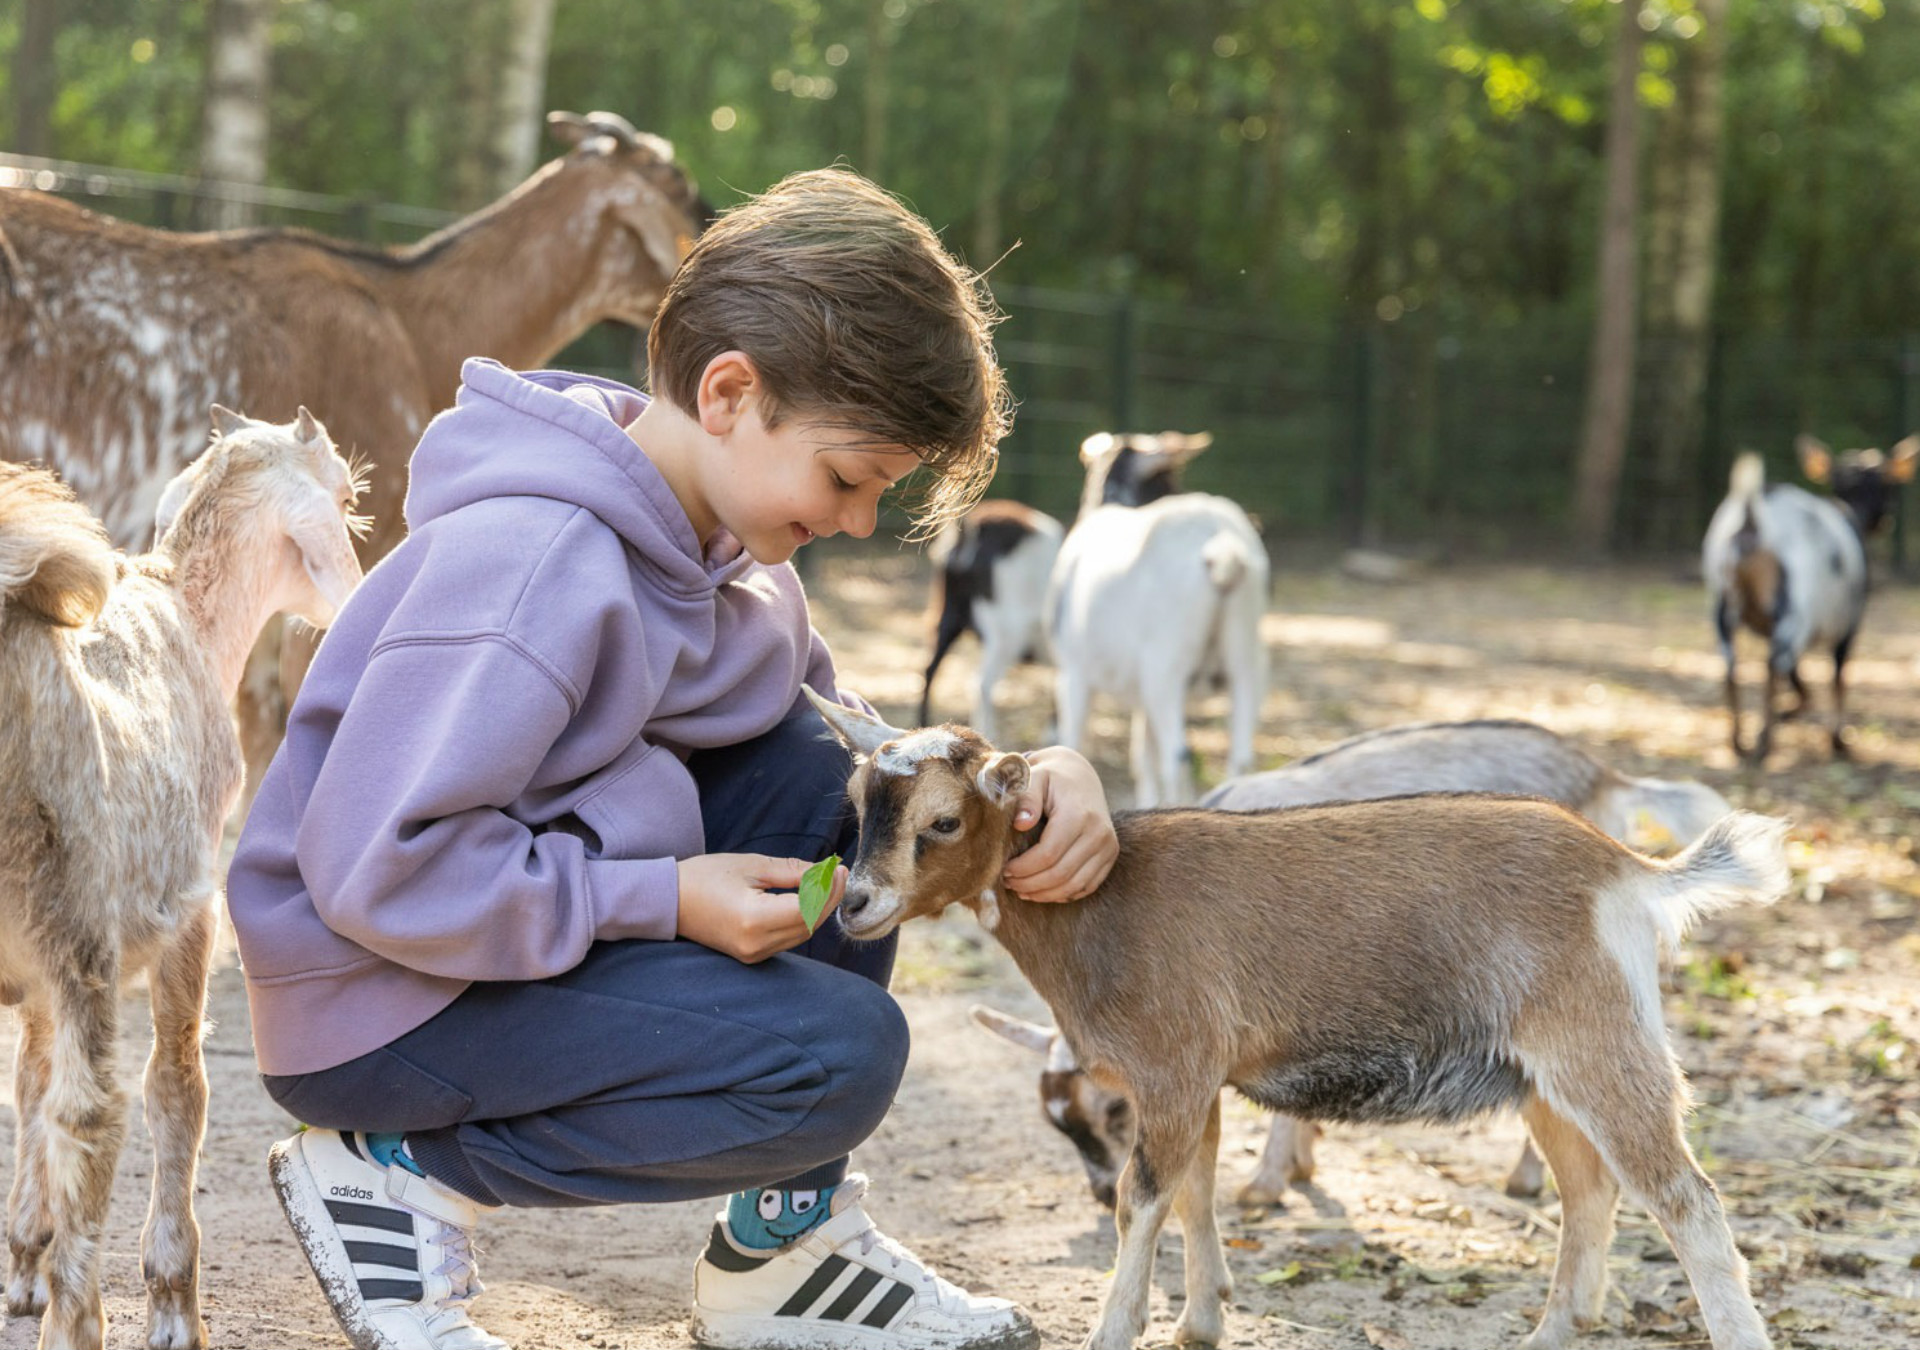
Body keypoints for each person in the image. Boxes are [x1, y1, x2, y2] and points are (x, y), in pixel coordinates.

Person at [226, 167, 1119, 1350]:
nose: (856, 521)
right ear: (731, 391)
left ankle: (782, 1260)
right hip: (381, 1002)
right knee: (833, 1061)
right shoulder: (531, 566)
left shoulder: (735, 568)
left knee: (837, 781)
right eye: (848, 479)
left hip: (503, 946)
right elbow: (375, 869)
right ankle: (387, 1169)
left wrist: (1031, 777)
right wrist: (657, 901)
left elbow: (868, 758)